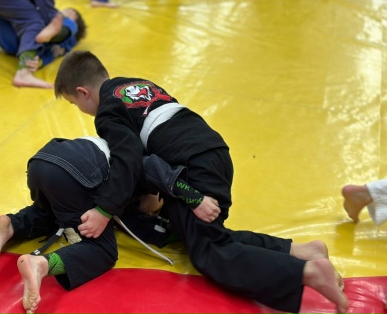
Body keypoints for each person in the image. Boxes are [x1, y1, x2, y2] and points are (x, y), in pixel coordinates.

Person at [53, 50, 348, 314]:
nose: (80, 109)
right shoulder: (137, 84)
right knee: (206, 235)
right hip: (214, 152)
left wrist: (104, 210)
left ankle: (305, 273)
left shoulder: (107, 111)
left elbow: (128, 160)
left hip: (192, 165)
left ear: (83, 92)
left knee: (209, 252)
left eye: (74, 103)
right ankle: (301, 251)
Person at [0, 136, 195, 313]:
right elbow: (155, 183)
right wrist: (195, 202)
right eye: (154, 206)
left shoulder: (119, 143)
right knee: (103, 249)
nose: (148, 211)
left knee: (50, 214)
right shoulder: (143, 165)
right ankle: (43, 264)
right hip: (76, 175)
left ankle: (11, 225)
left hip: (43, 161)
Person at [0, 7, 87, 70]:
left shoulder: (68, 39)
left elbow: (53, 53)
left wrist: (40, 62)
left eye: (71, 14)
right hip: (11, 38)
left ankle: (53, 34)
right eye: (67, 11)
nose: (66, 13)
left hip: (15, 41)